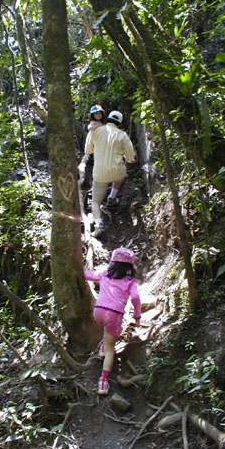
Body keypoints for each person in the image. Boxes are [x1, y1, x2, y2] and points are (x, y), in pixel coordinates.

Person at [84, 247, 141, 395]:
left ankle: (104, 346)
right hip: (114, 315)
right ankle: (103, 381)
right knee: (111, 348)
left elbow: (88, 275)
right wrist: (137, 316)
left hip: (98, 312)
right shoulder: (130, 281)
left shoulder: (105, 275)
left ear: (113, 263)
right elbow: (135, 297)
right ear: (130, 266)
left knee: (107, 329)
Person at [84, 110, 135, 237]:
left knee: (95, 202)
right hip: (117, 173)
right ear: (119, 124)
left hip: (100, 174)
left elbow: (88, 150)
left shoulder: (95, 131)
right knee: (122, 172)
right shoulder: (123, 135)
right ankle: (112, 198)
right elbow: (131, 158)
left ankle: (99, 224)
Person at [80, 104, 106, 191]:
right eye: (96, 114)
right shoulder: (94, 123)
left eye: (100, 113)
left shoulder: (102, 124)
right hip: (95, 149)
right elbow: (90, 127)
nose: (98, 115)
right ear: (93, 115)